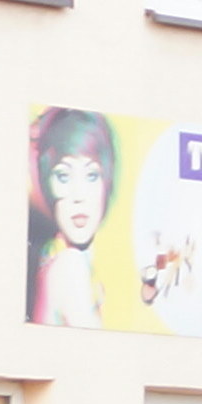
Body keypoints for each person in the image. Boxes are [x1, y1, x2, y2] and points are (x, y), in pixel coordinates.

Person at [29, 109, 119, 327]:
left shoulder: (61, 263)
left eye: (91, 175)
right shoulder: (69, 266)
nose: (79, 195)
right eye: (63, 175)